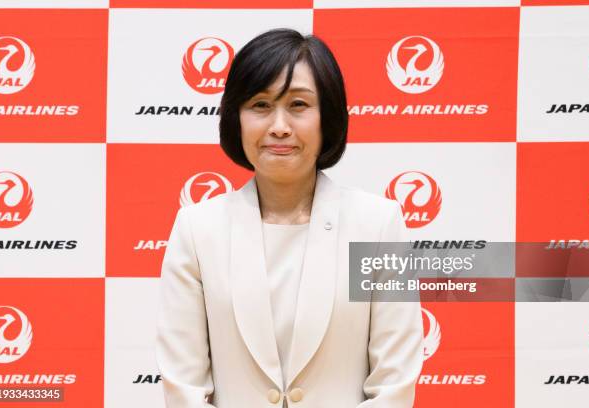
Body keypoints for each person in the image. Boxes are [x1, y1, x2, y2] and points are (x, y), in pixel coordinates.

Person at [156, 28, 423, 408]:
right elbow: (184, 386)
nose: (279, 126)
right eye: (260, 105)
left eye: (298, 105)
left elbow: (394, 385)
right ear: (237, 118)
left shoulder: (378, 225)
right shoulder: (198, 230)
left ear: (326, 117)